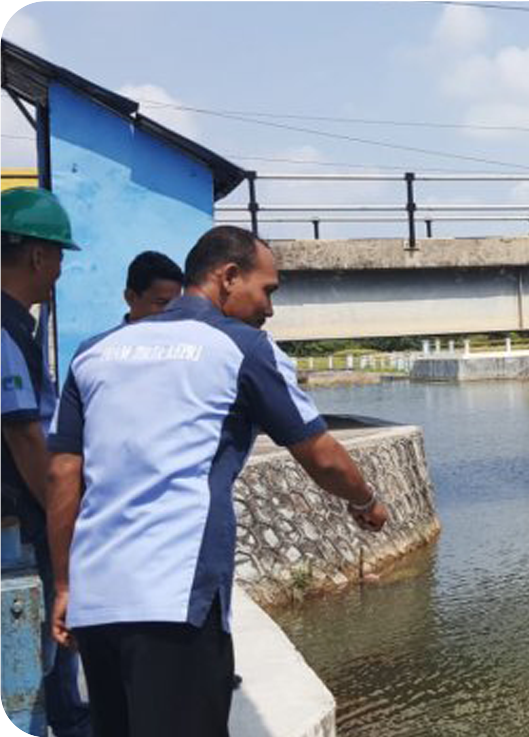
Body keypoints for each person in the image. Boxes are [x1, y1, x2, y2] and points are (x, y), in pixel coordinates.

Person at [46, 224, 389, 737]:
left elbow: (61, 473)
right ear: (228, 277)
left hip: (97, 601)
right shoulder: (241, 349)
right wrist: (365, 501)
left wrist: (67, 584)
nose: (269, 309)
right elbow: (321, 455)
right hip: (175, 597)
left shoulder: (95, 351)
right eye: (267, 290)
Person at [0, 187, 91, 737]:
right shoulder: (6, 329)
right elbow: (25, 437)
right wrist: (62, 519)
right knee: (29, 666)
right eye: (58, 257)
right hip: (19, 525)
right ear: (37, 255)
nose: (58, 271)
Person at [123, 250, 184, 322]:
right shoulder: (115, 333)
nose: (171, 313)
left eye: (175, 304)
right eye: (162, 302)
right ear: (131, 297)